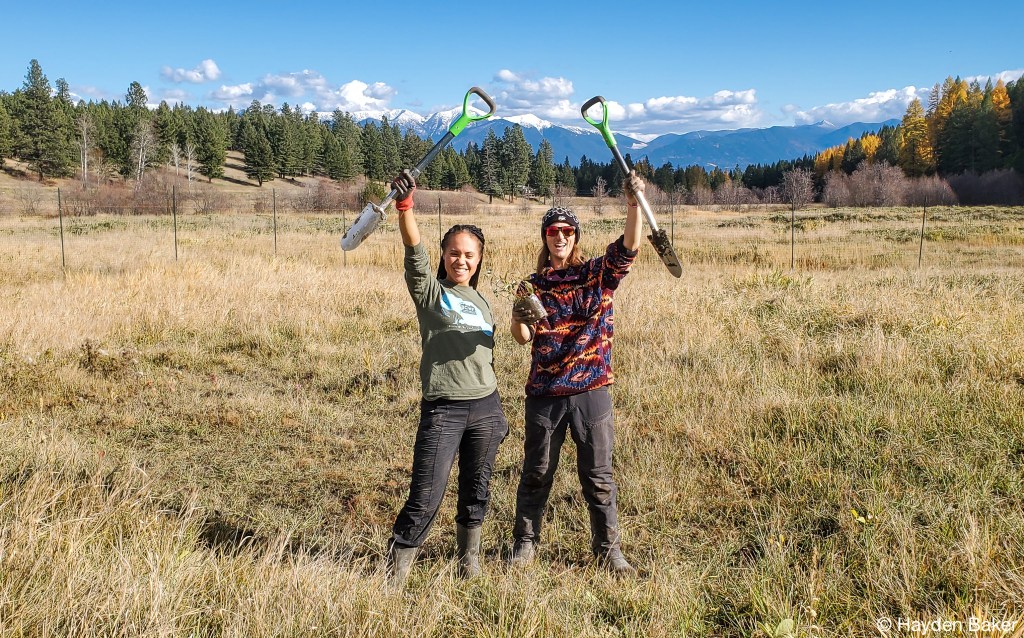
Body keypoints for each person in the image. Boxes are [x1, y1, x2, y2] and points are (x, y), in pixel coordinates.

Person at [508, 172, 646, 575]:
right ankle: (525, 543)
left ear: (575, 235)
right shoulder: (531, 285)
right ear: (545, 237)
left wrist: (633, 203)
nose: (560, 236)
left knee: (599, 477)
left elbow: (630, 248)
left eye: (567, 230)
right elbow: (521, 337)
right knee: (536, 473)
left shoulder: (596, 276)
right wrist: (519, 317)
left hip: (592, 391)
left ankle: (608, 551)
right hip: (545, 392)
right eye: (553, 230)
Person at [387, 169, 508, 584]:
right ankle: (396, 574)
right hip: (445, 409)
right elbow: (415, 256)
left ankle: (467, 564)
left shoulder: (482, 300)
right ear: (444, 255)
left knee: (476, 490)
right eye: (454, 252)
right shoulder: (431, 293)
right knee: (425, 495)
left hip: (487, 408)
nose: (461, 260)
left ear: (479, 261)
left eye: (469, 254)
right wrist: (405, 207)